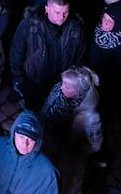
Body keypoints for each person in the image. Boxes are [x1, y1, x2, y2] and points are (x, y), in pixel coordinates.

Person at [10, 0, 85, 109]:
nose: (61, 17)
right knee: (33, 110)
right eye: (57, 12)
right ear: (47, 9)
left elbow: (80, 56)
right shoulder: (29, 25)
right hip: (33, 82)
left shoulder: (75, 27)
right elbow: (16, 54)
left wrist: (72, 82)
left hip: (61, 85)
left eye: (65, 12)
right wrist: (21, 82)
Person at [40, 66, 103, 194]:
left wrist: (78, 151)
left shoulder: (90, 116)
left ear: (79, 91)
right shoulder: (59, 89)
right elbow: (46, 108)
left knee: (71, 181)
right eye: (62, 82)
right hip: (53, 139)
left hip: (71, 154)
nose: (61, 87)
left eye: (67, 86)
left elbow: (96, 144)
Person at [0, 110, 59, 192]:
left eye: (31, 139)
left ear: (38, 140)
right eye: (21, 137)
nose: (25, 144)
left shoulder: (48, 172)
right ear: (14, 133)